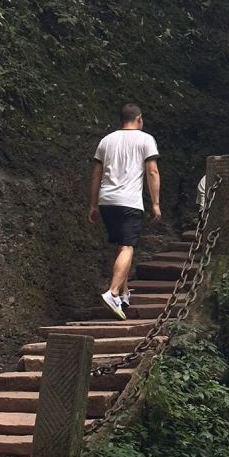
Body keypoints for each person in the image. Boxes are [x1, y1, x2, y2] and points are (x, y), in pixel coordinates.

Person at [88, 103, 161, 320]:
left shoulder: (106, 140)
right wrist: (155, 203)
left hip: (106, 201)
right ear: (139, 118)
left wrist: (92, 204)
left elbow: (96, 175)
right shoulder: (145, 139)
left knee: (121, 245)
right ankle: (112, 293)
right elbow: (152, 171)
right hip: (129, 201)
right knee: (128, 246)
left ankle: (123, 293)